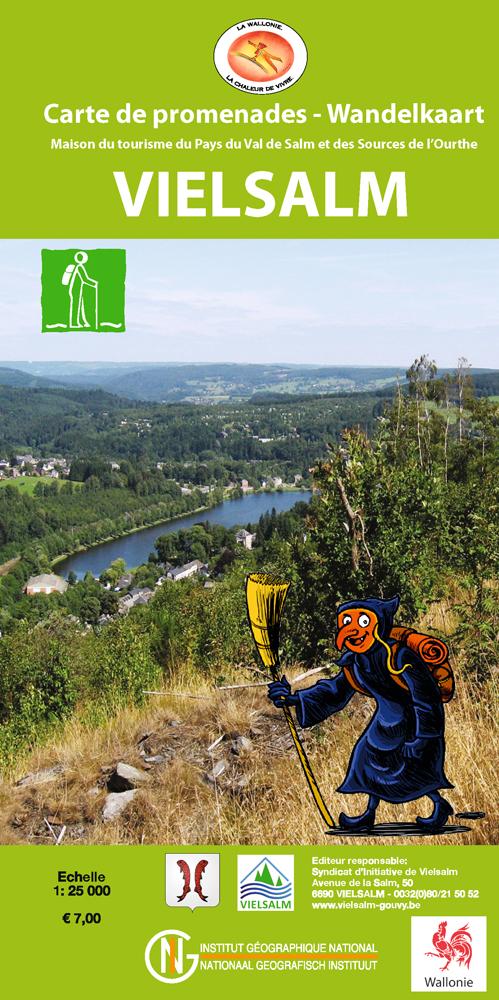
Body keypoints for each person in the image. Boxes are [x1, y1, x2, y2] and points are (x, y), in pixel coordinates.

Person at [268, 595, 454, 831]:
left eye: (362, 622)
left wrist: (424, 736)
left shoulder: (401, 656)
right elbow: (336, 690)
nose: (352, 629)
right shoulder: (356, 660)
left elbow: (426, 698)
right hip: (385, 721)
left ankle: (439, 805)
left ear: (379, 624)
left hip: (414, 720)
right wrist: (293, 698)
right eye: (346, 622)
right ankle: (369, 814)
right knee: (366, 760)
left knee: (416, 767)